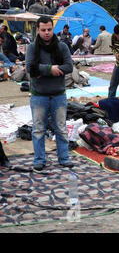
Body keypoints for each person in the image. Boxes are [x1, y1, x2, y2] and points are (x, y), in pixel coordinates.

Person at [25, 16, 74, 171]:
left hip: (58, 94)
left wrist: (42, 70)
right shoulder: (33, 48)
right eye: (43, 30)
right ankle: (39, 159)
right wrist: (50, 69)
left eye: (49, 29)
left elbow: (69, 67)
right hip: (39, 95)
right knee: (39, 129)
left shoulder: (62, 47)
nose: (47, 33)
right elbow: (29, 69)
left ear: (53, 29)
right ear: (38, 30)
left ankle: (64, 158)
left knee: (60, 128)